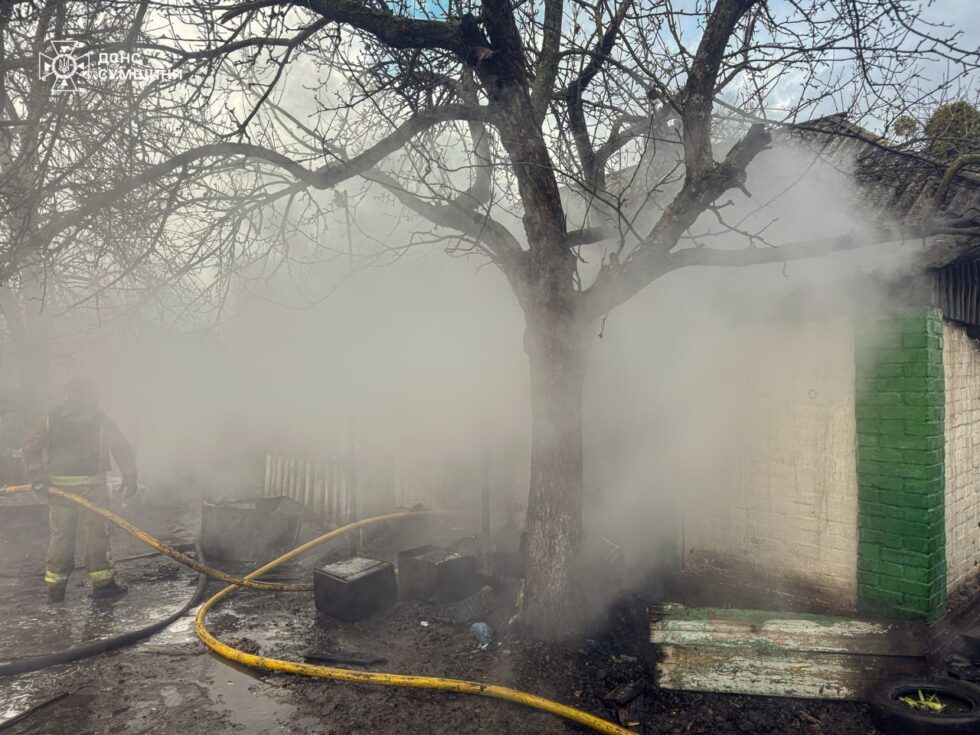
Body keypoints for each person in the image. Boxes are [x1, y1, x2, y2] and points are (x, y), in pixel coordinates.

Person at [23, 376, 137, 602]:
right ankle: (103, 586)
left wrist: (37, 476)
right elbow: (122, 449)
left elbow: (31, 446)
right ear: (92, 396)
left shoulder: (51, 420)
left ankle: (56, 589)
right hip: (92, 488)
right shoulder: (102, 421)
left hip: (59, 490)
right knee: (96, 534)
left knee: (61, 536)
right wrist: (130, 477)